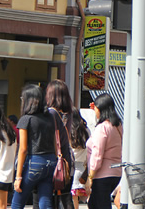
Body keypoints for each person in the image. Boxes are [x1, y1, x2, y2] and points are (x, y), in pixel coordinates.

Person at [12, 84, 57, 209]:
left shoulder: (26, 119)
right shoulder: (50, 118)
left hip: (34, 162)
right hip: (50, 161)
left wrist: (18, 176)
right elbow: (54, 143)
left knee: (17, 202)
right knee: (45, 201)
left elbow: (23, 149)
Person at [85, 93, 123, 209]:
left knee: (98, 204)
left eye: (95, 108)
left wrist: (90, 176)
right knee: (96, 203)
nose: (95, 111)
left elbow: (97, 154)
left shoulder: (102, 127)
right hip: (116, 172)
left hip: (102, 174)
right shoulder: (118, 125)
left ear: (101, 109)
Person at [41, 80, 74, 209]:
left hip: (55, 160)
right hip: (66, 160)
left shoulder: (51, 113)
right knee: (65, 197)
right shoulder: (68, 113)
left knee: (48, 197)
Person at [70, 108, 90, 208]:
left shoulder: (69, 130)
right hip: (84, 166)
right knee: (87, 192)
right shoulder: (86, 130)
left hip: (72, 167)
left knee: (73, 196)